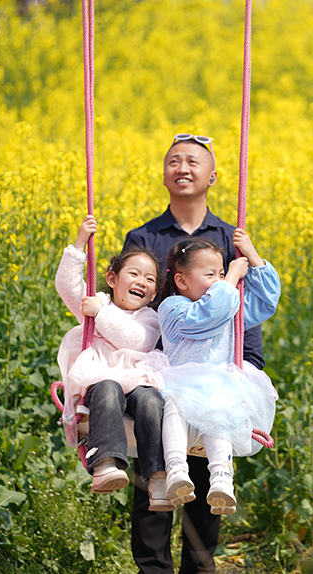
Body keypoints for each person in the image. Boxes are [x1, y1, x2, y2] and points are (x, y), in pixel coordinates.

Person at [123, 133, 267, 573]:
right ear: (164, 172)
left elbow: (247, 310)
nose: (182, 168)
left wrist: (250, 364)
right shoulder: (144, 236)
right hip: (157, 372)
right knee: (157, 481)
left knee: (207, 487)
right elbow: (129, 303)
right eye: (173, 161)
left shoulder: (230, 238)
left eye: (192, 161)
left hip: (216, 370)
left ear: (213, 175)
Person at [55, 214, 171, 511]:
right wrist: (80, 242)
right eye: (133, 274)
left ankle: (158, 476)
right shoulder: (97, 303)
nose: (141, 282)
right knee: (106, 389)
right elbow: (67, 286)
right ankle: (105, 463)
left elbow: (135, 340)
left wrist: (100, 314)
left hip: (138, 379)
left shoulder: (150, 318)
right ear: (111, 279)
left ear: (155, 293)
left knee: (150, 401)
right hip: (102, 379)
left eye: (149, 280)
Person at [158, 236, 279, 516]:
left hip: (215, 387)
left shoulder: (229, 308)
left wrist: (252, 255)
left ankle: (222, 478)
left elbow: (266, 303)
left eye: (221, 273)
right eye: (210, 274)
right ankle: (176, 469)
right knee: (172, 405)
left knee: (221, 411)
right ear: (182, 281)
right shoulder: (173, 309)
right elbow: (209, 314)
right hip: (181, 384)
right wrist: (234, 276)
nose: (220, 280)